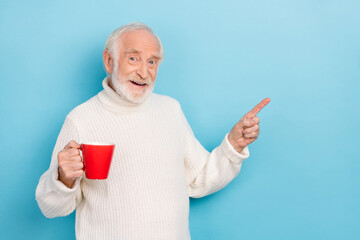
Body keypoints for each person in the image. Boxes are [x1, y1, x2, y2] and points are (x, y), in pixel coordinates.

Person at [35, 22, 270, 240]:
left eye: (152, 61)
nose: (144, 72)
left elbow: (199, 179)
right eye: (133, 58)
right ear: (109, 61)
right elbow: (51, 208)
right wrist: (63, 178)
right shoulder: (81, 119)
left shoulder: (170, 109)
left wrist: (234, 145)